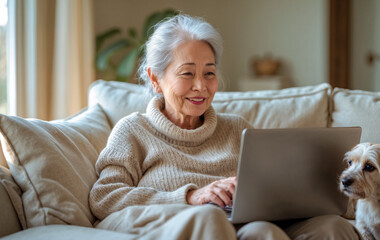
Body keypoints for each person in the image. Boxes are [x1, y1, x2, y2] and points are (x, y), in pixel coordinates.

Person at [89, 14, 361, 240]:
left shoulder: (237, 129)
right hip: (194, 226)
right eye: (187, 73)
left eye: (209, 72)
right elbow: (105, 197)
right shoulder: (134, 130)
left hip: (249, 225)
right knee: (245, 228)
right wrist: (191, 197)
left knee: (331, 227)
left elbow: (270, 190)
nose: (201, 86)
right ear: (155, 78)